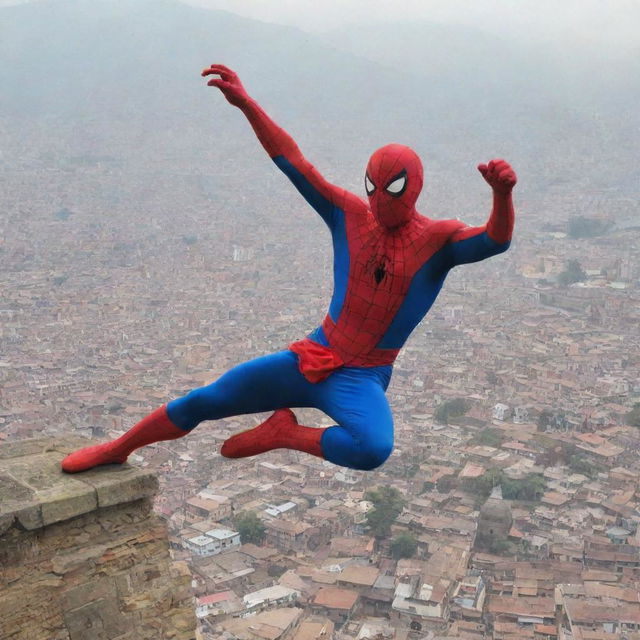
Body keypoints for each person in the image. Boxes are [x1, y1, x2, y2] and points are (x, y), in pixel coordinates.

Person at [61, 64, 517, 474]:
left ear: (413, 188)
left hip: (362, 376)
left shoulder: (438, 241)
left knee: (373, 448)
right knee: (205, 399)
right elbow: (293, 162)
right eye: (372, 187)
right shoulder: (350, 215)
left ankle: (285, 434)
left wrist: (501, 197)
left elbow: (494, 241)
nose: (380, 198)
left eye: (393, 188)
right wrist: (247, 105)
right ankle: (117, 449)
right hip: (311, 355)